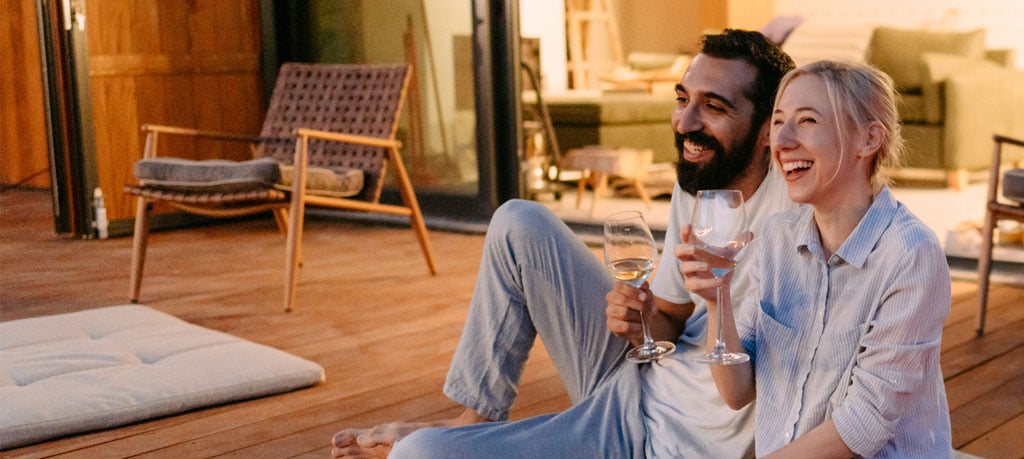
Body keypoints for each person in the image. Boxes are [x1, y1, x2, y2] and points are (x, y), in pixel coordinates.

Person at [331, 29, 796, 458]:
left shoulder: (800, 210)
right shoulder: (700, 179)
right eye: (682, 99)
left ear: (767, 131)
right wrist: (641, 319)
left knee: (421, 453)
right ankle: (474, 420)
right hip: (636, 381)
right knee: (518, 221)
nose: (684, 121)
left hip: (650, 440)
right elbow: (671, 319)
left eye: (714, 107)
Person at [679, 60, 953, 457]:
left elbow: (865, 425)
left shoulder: (910, 255)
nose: (782, 139)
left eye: (807, 121)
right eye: (778, 121)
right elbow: (737, 391)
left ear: (867, 139)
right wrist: (715, 298)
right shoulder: (777, 237)